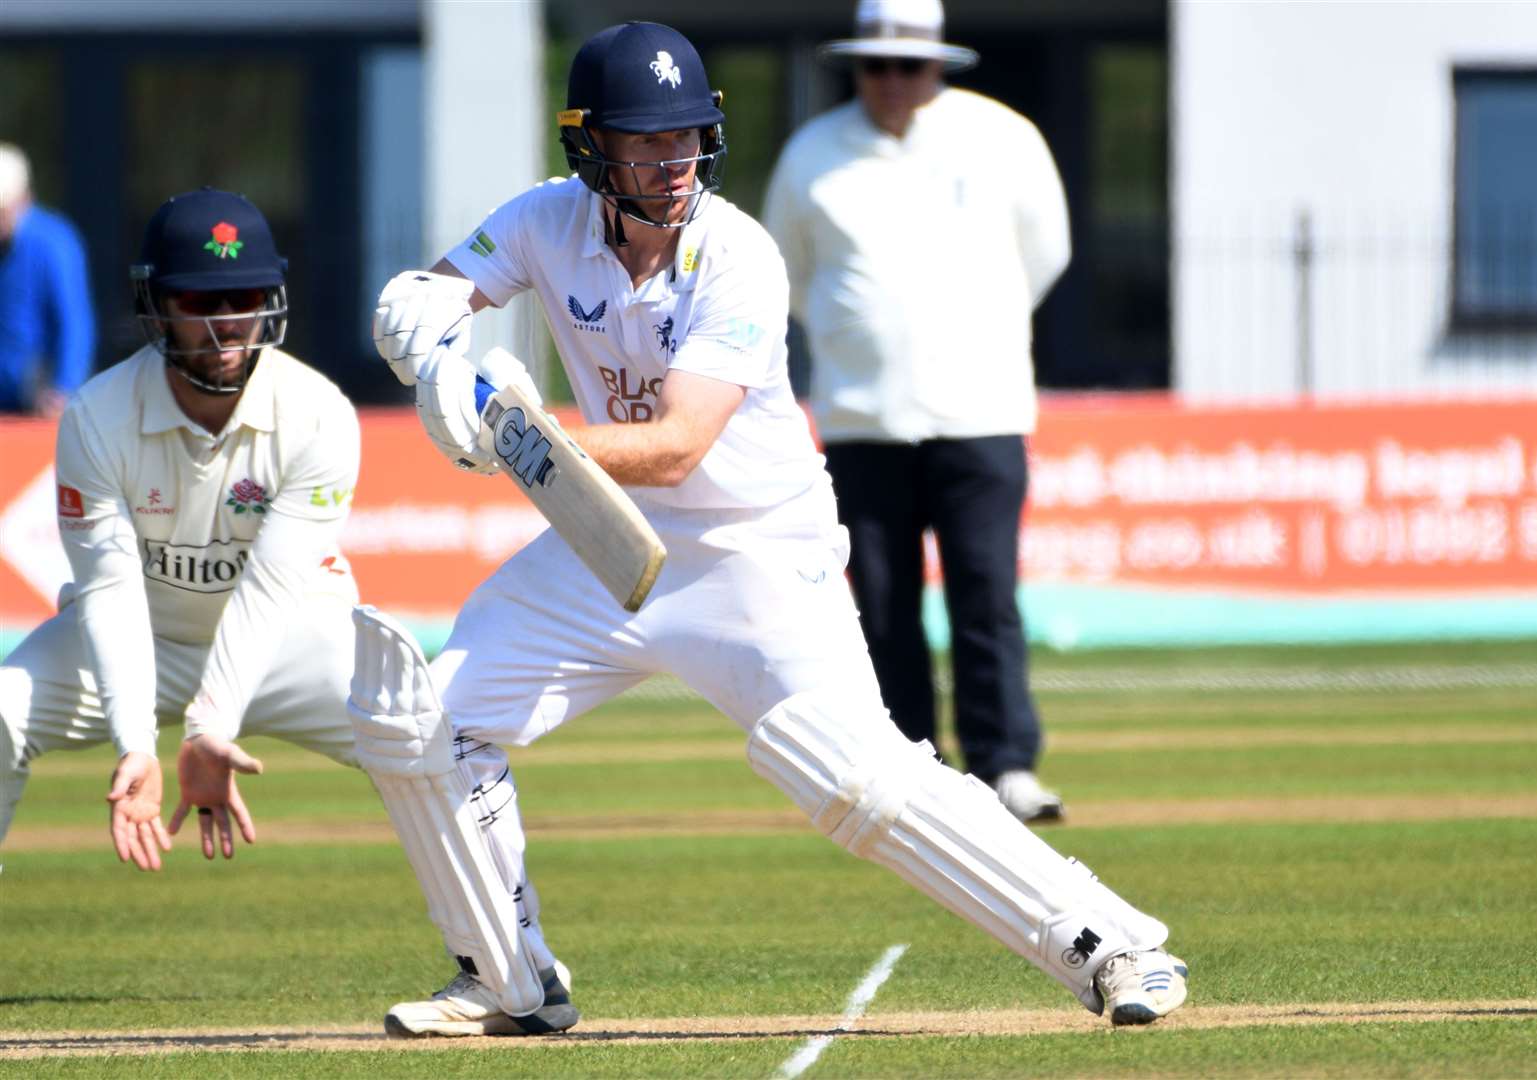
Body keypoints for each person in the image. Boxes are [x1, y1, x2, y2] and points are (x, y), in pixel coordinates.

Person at [359, 20, 1185, 1040]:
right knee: (426, 724)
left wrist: (512, 434)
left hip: (755, 552)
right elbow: (444, 285)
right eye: (643, 142)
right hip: (604, 541)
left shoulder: (735, 252)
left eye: (686, 139)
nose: (671, 163)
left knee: (850, 776)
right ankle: (504, 979)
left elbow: (673, 448)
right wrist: (414, 316)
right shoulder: (543, 219)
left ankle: (1109, 945)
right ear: (591, 148)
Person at [762, 0, 1071, 822]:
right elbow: (785, 273)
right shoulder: (812, 153)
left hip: (983, 410)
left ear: (940, 65)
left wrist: (974, 337)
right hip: (864, 418)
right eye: (875, 66)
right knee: (884, 601)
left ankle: (1007, 764)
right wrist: (859, 339)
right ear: (855, 68)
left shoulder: (1003, 139)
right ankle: (909, 767)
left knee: (985, 592)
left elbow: (1047, 252)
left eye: (909, 66)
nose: (892, 83)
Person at [0, 188, 362, 871]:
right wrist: (136, 742)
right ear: (158, 307)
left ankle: (501, 965)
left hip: (290, 639)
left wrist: (209, 726)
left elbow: (268, 591)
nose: (226, 325)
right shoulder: (96, 415)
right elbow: (108, 591)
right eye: (200, 303)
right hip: (148, 639)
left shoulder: (320, 412)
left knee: (427, 733)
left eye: (244, 297)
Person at [0, 143, 95, 417]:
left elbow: (75, 321)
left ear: (23, 199)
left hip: (35, 403)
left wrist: (63, 388)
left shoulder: (54, 241)